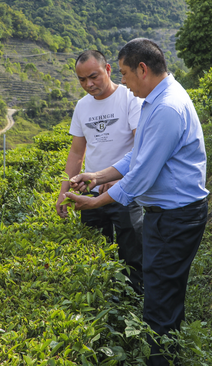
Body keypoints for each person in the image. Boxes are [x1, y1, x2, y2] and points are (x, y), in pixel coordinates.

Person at [65, 38, 208, 366]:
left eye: (126, 74)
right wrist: (97, 177)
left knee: (158, 299)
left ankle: (162, 357)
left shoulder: (166, 108)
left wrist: (95, 203)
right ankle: (168, 350)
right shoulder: (153, 100)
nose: (124, 82)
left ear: (142, 70)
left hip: (176, 218)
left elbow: (141, 175)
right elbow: (137, 157)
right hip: (165, 214)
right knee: (163, 292)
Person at [56, 49, 144, 293]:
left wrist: (121, 180)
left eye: (93, 76)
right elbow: (76, 153)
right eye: (82, 80)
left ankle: (135, 301)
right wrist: (63, 191)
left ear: (107, 70)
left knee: (132, 254)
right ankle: (106, 303)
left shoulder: (130, 98)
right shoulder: (82, 107)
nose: (89, 84)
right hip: (91, 191)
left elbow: (140, 146)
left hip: (125, 190)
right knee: (96, 253)